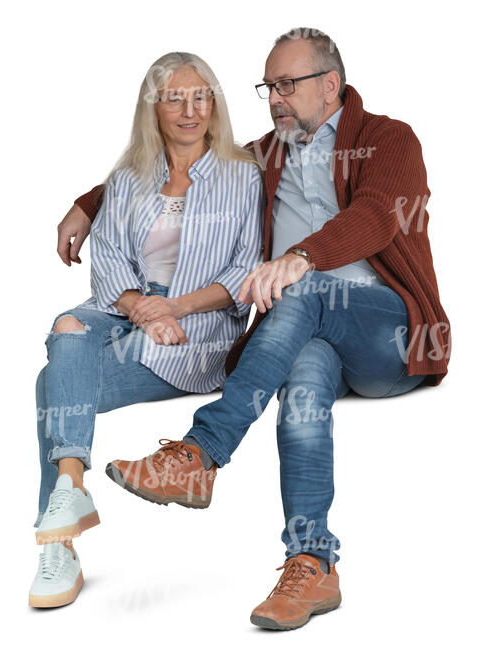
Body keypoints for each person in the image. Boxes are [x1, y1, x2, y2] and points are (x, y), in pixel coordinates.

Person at [60, 28, 451, 630]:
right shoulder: (266, 154)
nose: (275, 100)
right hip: (306, 331)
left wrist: (303, 257)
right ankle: (312, 563)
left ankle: (202, 452)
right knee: (302, 386)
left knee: (303, 288)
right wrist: (89, 204)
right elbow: (181, 162)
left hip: (388, 333)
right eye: (268, 87)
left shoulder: (388, 139)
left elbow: (376, 214)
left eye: (288, 85)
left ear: (331, 85)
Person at [29, 51, 263, 608]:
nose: (190, 110)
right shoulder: (131, 176)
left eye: (200, 96)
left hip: (198, 324)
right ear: (152, 108)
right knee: (68, 324)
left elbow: (244, 270)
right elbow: (107, 259)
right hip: (123, 306)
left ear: (215, 103)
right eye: (174, 98)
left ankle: (59, 539)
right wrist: (142, 308)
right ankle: (72, 492)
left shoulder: (242, 174)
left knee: (51, 386)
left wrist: (173, 310)